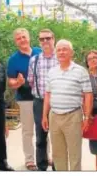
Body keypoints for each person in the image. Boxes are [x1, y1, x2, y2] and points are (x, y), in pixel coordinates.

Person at [41, 39, 93, 171]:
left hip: (73, 116)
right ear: (55, 52)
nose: (61, 52)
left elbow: (88, 95)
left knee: (75, 153)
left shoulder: (81, 71)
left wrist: (87, 117)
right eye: (59, 50)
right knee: (58, 154)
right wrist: (44, 116)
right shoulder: (52, 72)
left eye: (65, 49)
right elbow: (48, 95)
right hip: (54, 116)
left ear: (71, 53)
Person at [7, 28, 42, 171]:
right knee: (28, 131)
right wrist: (18, 83)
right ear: (16, 41)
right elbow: (10, 81)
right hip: (25, 98)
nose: (22, 40)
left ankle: (45, 156)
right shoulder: (13, 59)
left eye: (24, 37)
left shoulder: (40, 52)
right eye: (19, 38)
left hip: (42, 97)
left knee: (44, 129)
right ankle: (29, 159)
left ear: (29, 38)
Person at [27, 29, 58, 171]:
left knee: (58, 137)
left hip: (59, 102)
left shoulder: (61, 57)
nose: (45, 41)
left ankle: (58, 166)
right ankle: (42, 166)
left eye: (48, 38)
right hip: (39, 102)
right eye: (42, 39)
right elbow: (31, 81)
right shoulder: (34, 60)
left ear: (54, 39)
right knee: (40, 136)